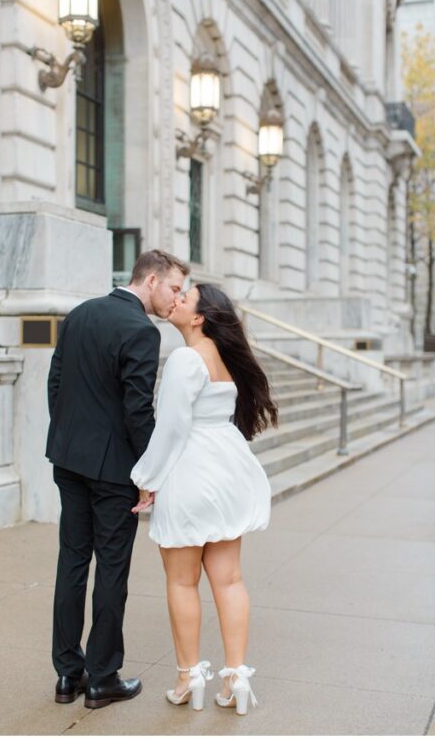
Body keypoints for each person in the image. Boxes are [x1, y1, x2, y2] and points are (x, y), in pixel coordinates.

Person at [45, 249, 189, 708]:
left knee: (71, 562)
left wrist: (71, 438)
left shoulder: (80, 314)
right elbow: (136, 410)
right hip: (112, 472)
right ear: (149, 280)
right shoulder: (141, 331)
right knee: (111, 569)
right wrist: (149, 472)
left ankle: (68, 675)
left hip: (69, 461)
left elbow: (56, 382)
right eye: (173, 288)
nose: (176, 298)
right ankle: (103, 676)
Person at [131, 283, 277, 716]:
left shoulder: (184, 358)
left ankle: (188, 677)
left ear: (198, 318)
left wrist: (146, 478)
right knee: (229, 579)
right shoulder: (223, 357)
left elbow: (172, 428)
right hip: (228, 468)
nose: (175, 298)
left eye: (185, 297)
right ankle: (236, 678)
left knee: (181, 581)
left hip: (192, 470)